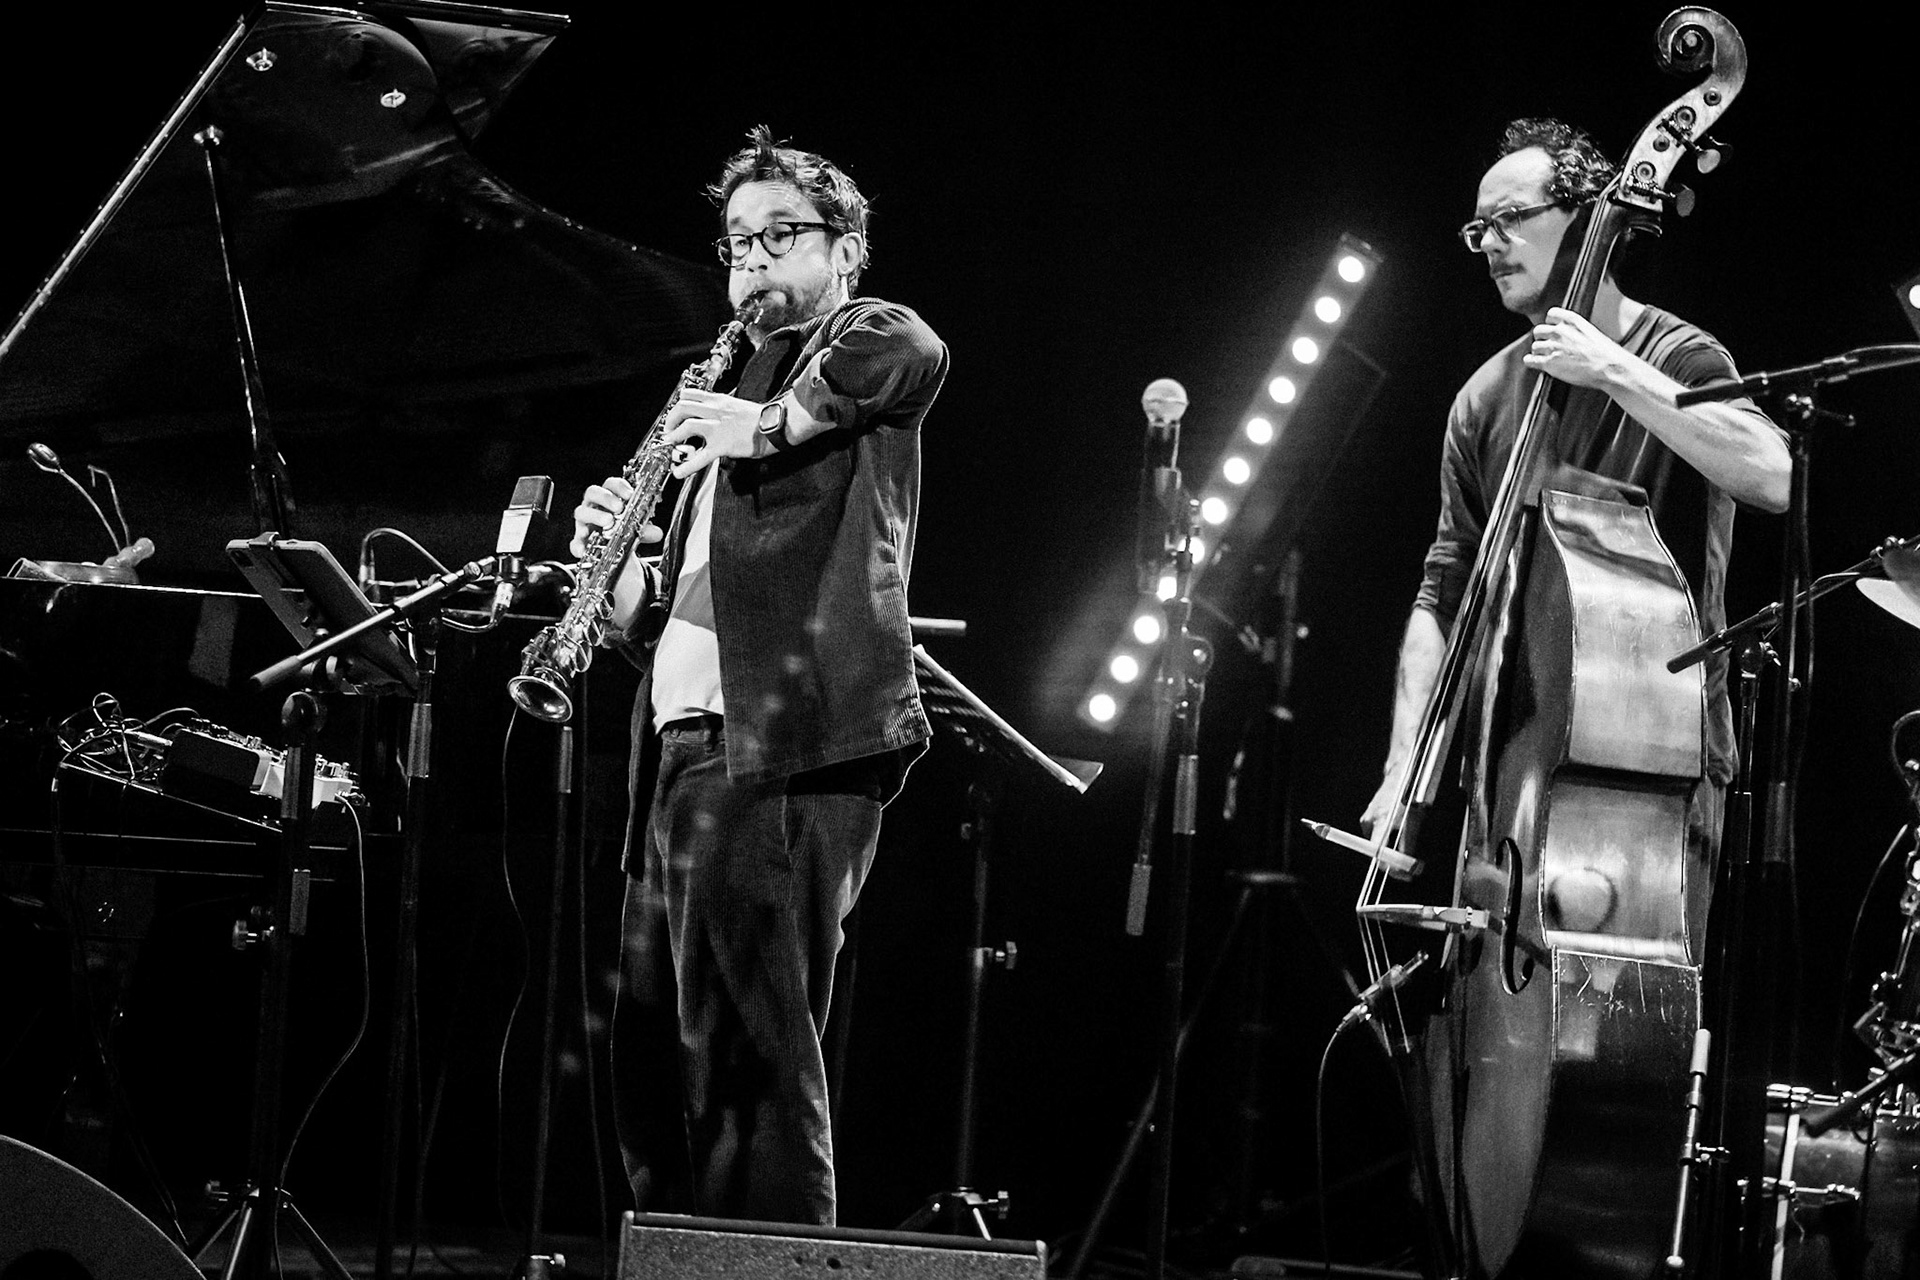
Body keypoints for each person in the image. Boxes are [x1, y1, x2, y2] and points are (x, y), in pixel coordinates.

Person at [569, 126, 948, 1225]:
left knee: (757, 1068)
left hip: (783, 748)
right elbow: (686, 617)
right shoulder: (730, 409)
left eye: (781, 234)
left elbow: (916, 346)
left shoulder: (855, 343)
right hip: (682, 749)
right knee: (658, 1059)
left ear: (845, 247)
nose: (752, 261)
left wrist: (767, 421)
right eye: (737, 242)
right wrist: (618, 577)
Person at [1360, 117, 1788, 945]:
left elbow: (1771, 475)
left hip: (1645, 764)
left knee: (1620, 1032)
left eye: (1510, 219)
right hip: (1509, 768)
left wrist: (1615, 371)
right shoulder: (1483, 399)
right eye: (1478, 227)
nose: (1488, 243)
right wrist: (1403, 761)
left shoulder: (1682, 356)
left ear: (1590, 217)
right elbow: (1442, 589)